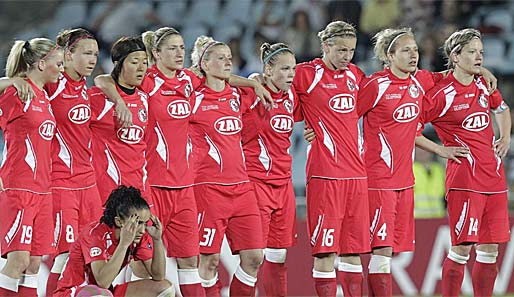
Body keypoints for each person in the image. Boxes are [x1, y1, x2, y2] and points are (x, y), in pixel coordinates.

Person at [93, 27, 274, 296]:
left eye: (182, 48)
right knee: (144, 266)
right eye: (172, 48)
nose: (179, 54)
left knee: (190, 261)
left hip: (185, 187)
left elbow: (222, 77)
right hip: (153, 186)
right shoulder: (148, 80)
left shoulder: (188, 80)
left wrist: (253, 83)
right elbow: (104, 80)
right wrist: (119, 101)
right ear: (156, 53)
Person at [416, 28, 511, 297]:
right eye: (472, 52)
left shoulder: (484, 83)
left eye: (481, 52)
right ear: (455, 56)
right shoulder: (441, 94)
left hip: (494, 178)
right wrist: (439, 150)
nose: (479, 57)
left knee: (490, 250)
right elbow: (409, 127)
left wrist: (505, 137)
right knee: (462, 250)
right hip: (465, 180)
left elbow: (501, 109)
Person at [357, 27, 443, 297]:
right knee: (380, 249)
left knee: (389, 251)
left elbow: (448, 77)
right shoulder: (376, 85)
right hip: (379, 179)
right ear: (389, 56)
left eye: (415, 49)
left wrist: (483, 73)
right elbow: (346, 116)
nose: (413, 54)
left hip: (405, 182)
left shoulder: (419, 82)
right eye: (406, 50)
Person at [293, 21, 370, 297]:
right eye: (341, 50)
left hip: (358, 177)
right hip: (326, 174)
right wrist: (305, 118)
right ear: (325, 46)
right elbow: (276, 88)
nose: (347, 56)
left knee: (353, 253)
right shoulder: (306, 74)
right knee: (325, 251)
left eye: (351, 50)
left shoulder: (356, 75)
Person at [189, 35, 264, 297]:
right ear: (204, 64)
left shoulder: (236, 95)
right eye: (221, 58)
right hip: (208, 188)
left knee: (255, 257)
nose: (228, 61)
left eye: (230, 57)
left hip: (242, 188)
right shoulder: (192, 97)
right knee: (208, 261)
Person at [0, 37, 63, 296]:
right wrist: (9, 81)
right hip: (19, 186)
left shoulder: (43, 96)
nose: (61, 68)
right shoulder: (17, 92)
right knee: (19, 261)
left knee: (35, 264)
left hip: (43, 190)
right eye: (57, 63)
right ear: (40, 64)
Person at [240, 42, 298, 296]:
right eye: (285, 69)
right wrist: (252, 81)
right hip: (256, 184)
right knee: (253, 259)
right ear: (268, 69)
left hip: (283, 186)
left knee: (279, 256)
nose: (291, 75)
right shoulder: (251, 94)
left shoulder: (292, 96)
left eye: (293, 69)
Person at [54, 185, 174, 297]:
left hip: (106, 292)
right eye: (137, 223)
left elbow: (159, 276)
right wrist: (124, 244)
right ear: (118, 221)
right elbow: (102, 282)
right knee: (101, 295)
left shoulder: (137, 236)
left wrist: (157, 239)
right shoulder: (95, 234)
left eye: (144, 223)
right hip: (73, 292)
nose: (142, 230)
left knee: (164, 288)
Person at [88, 36, 151, 203]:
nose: (141, 68)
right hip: (109, 192)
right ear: (117, 64)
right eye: (134, 62)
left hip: (141, 189)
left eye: (144, 62)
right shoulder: (98, 98)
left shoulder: (145, 98)